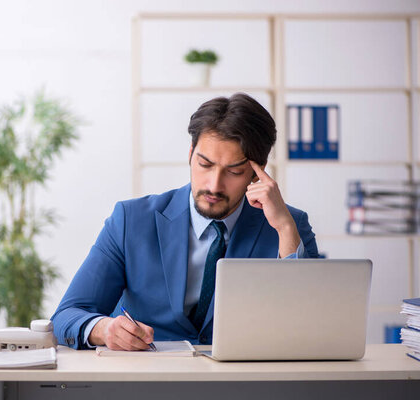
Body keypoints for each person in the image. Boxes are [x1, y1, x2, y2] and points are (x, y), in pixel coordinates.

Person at [51, 93, 318, 351]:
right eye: (205, 164)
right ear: (190, 154)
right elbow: (66, 316)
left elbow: (312, 326)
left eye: (234, 171)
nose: (214, 185)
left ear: (257, 172)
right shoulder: (130, 221)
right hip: (148, 380)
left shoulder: (290, 224)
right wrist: (103, 329)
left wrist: (284, 229)